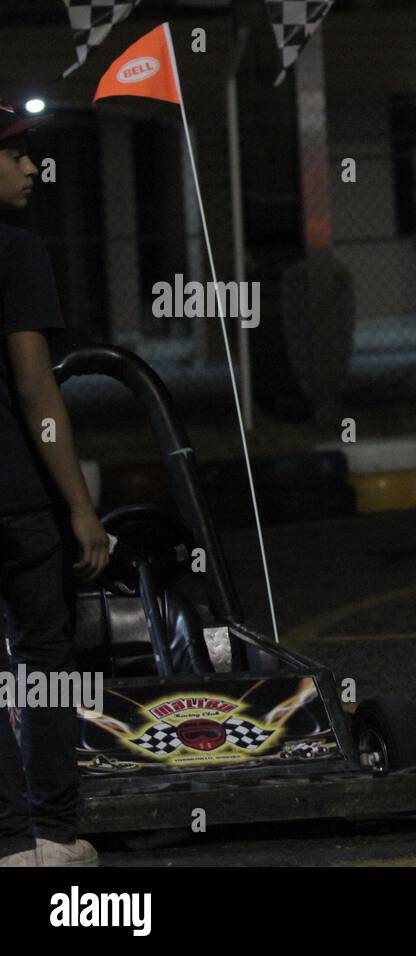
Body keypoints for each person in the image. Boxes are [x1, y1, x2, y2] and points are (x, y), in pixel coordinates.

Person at [0, 102, 107, 867]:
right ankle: (54, 834)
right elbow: (37, 387)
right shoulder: (16, 250)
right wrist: (79, 505)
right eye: (14, 155)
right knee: (43, 655)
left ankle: (6, 843)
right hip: (15, 497)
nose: (32, 167)